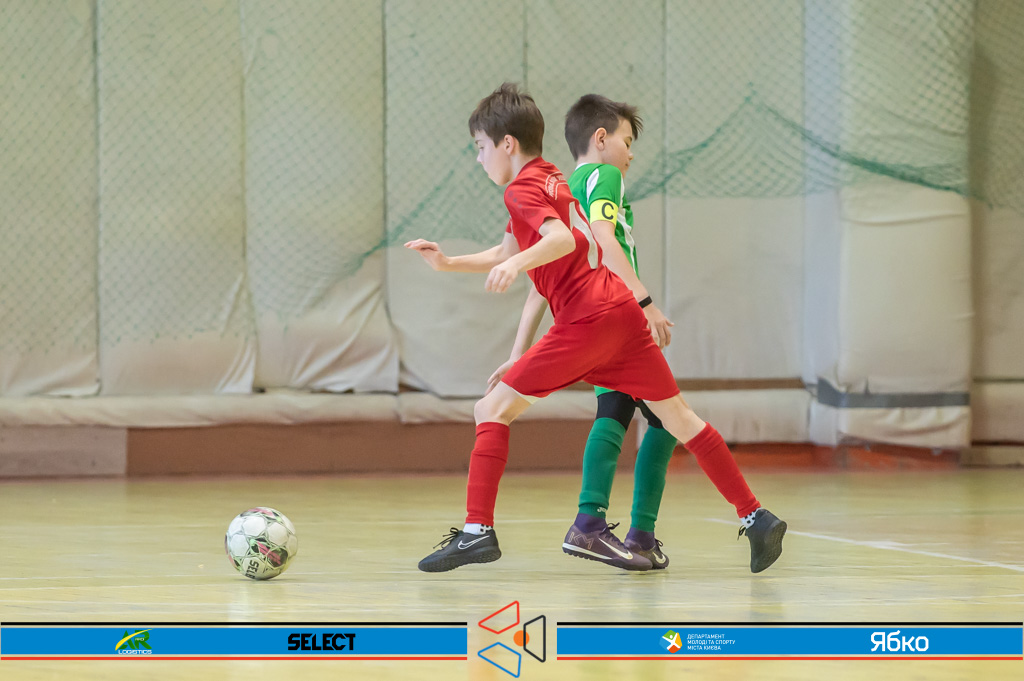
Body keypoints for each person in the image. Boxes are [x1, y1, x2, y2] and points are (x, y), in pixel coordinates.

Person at [406, 83, 786, 574]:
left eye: (480, 147)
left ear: (507, 144)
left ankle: (478, 532)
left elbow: (559, 241)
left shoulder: (522, 189)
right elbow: (507, 250)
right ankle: (755, 517)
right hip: (620, 314)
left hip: (589, 319)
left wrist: (517, 266)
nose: (479, 158)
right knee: (679, 419)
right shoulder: (549, 177)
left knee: (490, 409)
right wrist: (450, 262)